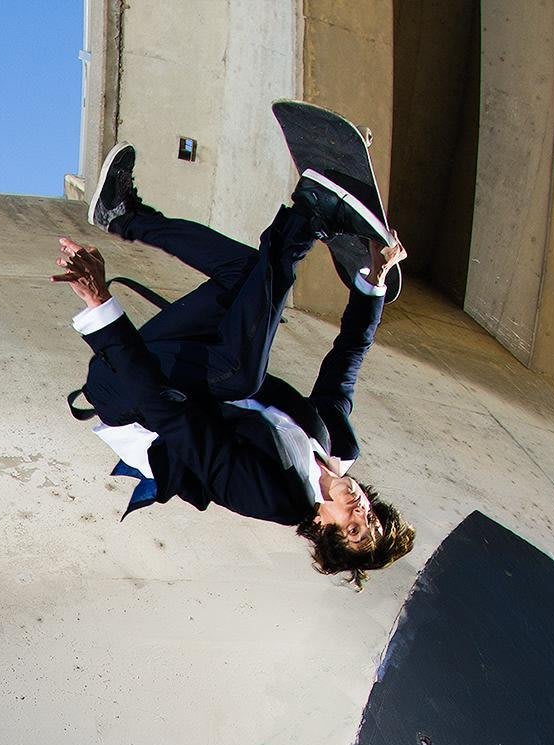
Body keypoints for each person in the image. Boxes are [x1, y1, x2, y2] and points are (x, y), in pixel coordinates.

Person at [58, 141, 417, 583]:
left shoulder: (271, 496)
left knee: (240, 376)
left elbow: (173, 419)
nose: (361, 512)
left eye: (355, 529)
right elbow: (347, 362)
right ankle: (124, 216)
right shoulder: (335, 446)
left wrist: (102, 310)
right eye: (372, 518)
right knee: (249, 274)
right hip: (180, 368)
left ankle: (308, 215)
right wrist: (371, 284)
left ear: (324, 528)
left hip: (132, 395)